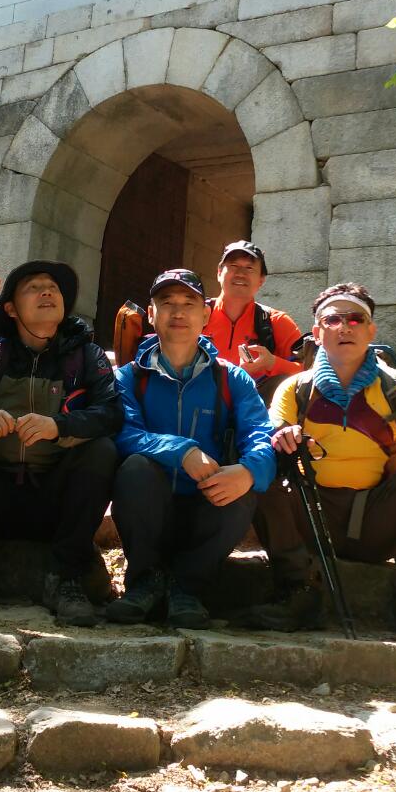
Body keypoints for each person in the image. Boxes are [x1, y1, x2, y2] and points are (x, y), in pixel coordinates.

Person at [244, 282, 396, 641]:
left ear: (371, 331)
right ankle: (297, 589)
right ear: (317, 332)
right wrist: (282, 439)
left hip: (379, 517)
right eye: (333, 320)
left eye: (355, 319)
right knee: (259, 466)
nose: (345, 327)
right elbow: (272, 430)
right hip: (312, 517)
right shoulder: (294, 388)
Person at [0, 260, 122, 625]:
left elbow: (110, 414)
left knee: (102, 450)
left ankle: (65, 574)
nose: (47, 292)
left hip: (53, 499)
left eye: (53, 288)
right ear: (11, 309)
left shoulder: (86, 356)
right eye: (33, 287)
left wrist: (58, 426)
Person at [107, 268, 276, 629]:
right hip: (148, 509)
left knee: (243, 486)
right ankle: (145, 582)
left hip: (206, 506)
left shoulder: (231, 378)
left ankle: (187, 587)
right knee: (134, 468)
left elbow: (261, 436)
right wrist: (181, 451)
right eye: (167, 303)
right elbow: (123, 434)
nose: (178, 312)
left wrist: (249, 471)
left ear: (206, 314)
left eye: (189, 303)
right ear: (151, 314)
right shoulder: (129, 378)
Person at [203, 240, 303, 404]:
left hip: (254, 410)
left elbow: (309, 374)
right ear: (219, 272)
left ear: (261, 280)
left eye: (249, 268)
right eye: (233, 265)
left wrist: (272, 363)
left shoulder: (276, 322)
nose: (240, 273)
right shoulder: (196, 314)